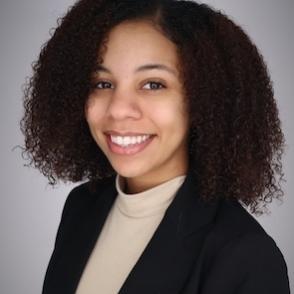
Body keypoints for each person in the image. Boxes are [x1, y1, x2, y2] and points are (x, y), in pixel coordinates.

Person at [21, 0, 290, 293]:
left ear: (205, 99)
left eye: (153, 84)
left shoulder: (245, 256)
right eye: (102, 83)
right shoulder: (81, 207)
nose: (119, 110)